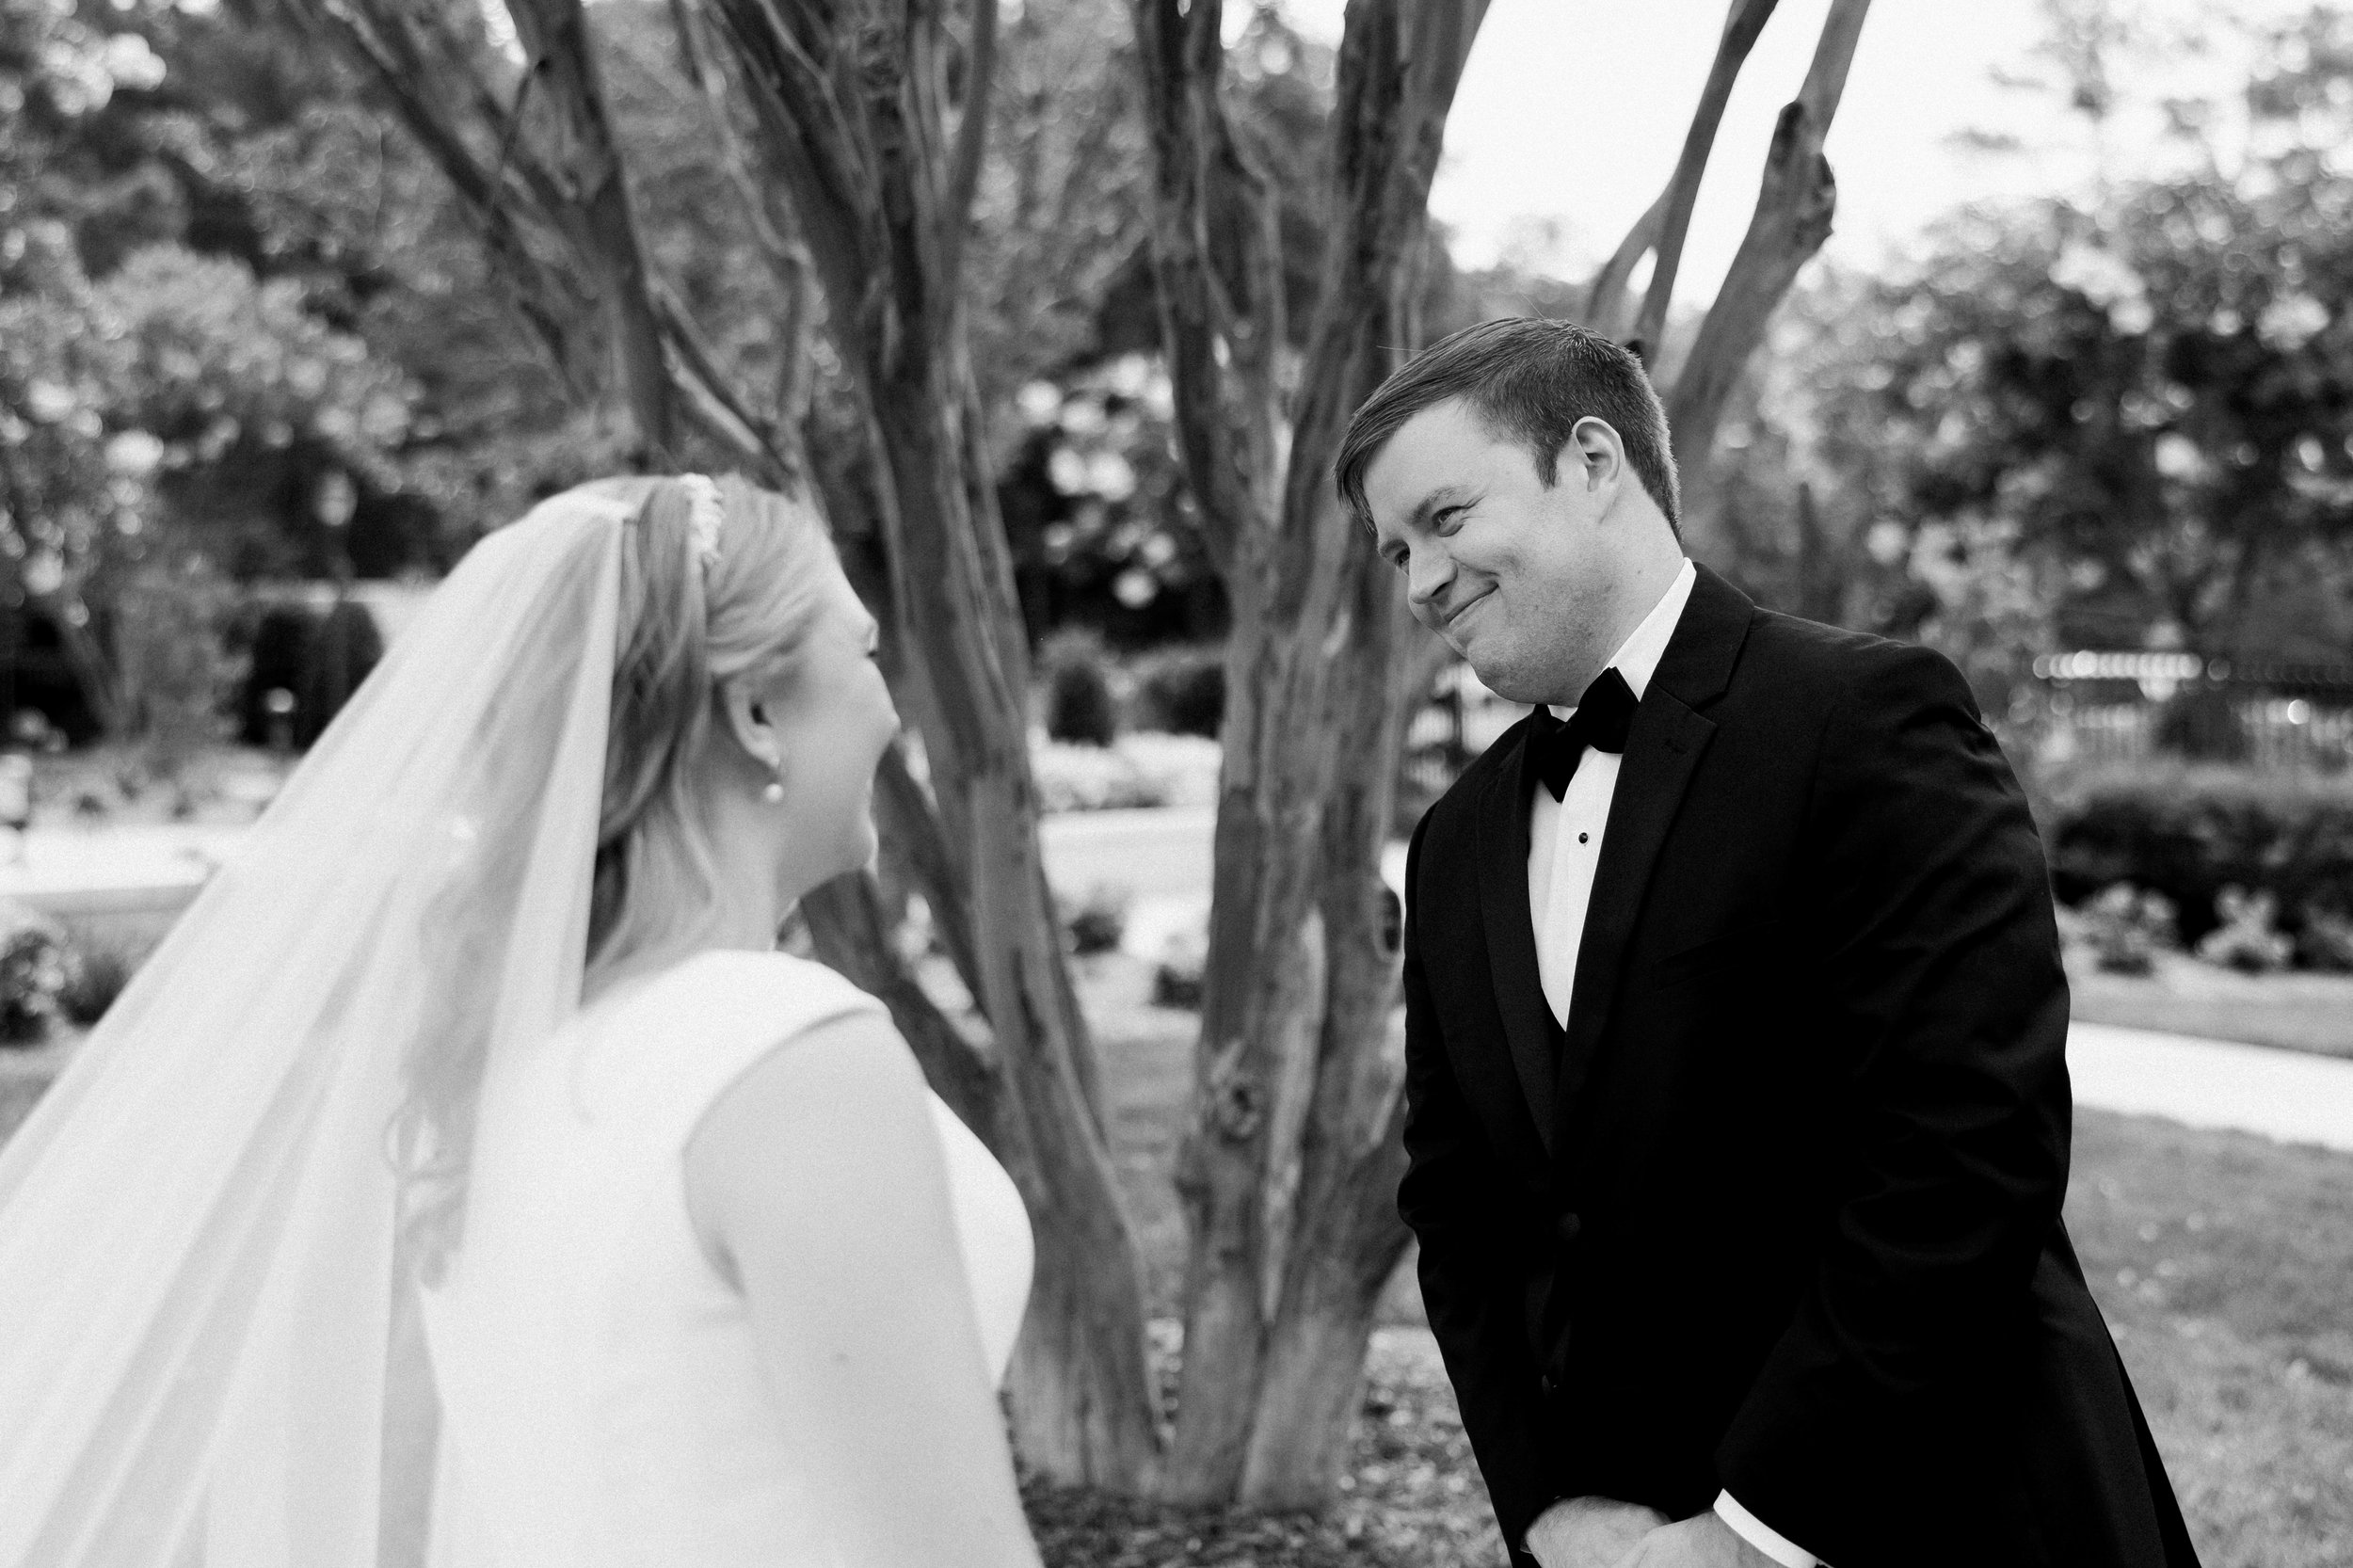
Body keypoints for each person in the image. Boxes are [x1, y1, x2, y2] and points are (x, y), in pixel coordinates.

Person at [0, 474, 1042, 1568]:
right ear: (754, 712)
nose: (889, 702)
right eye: (864, 652)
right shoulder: (787, 1058)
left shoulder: (510, 1066)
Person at [1339, 318, 2201, 1568]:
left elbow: (1965, 1151)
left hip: (1942, 1507)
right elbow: (1462, 1208)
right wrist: (1553, 1509)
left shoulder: (1865, 720)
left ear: (1592, 461)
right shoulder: (1455, 842)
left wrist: (1752, 1533)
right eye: (1396, 552)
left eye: (1447, 515)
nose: (1421, 579)